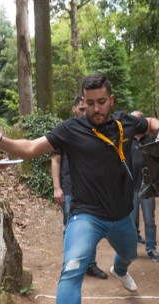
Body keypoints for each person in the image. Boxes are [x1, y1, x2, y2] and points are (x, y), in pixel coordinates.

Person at [0, 74, 159, 304]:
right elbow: (31, 148)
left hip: (121, 215)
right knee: (72, 266)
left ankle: (120, 269)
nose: (96, 109)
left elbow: (151, 122)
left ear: (112, 100)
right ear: (83, 101)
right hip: (86, 215)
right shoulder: (71, 129)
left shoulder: (125, 123)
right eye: (89, 103)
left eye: (101, 102)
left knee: (129, 253)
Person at [51, 96, 107, 280]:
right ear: (74, 109)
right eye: (81, 109)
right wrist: (57, 187)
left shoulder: (95, 129)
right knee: (70, 228)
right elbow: (55, 159)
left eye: (87, 109)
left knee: (91, 227)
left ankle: (90, 264)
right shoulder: (65, 130)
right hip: (69, 189)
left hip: (91, 190)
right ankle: (70, 264)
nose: (85, 112)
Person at [130, 111, 159, 262]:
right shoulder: (126, 140)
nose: (135, 122)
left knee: (149, 219)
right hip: (130, 187)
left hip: (147, 187)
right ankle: (130, 250)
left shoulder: (151, 140)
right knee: (131, 220)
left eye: (138, 119)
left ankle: (151, 248)